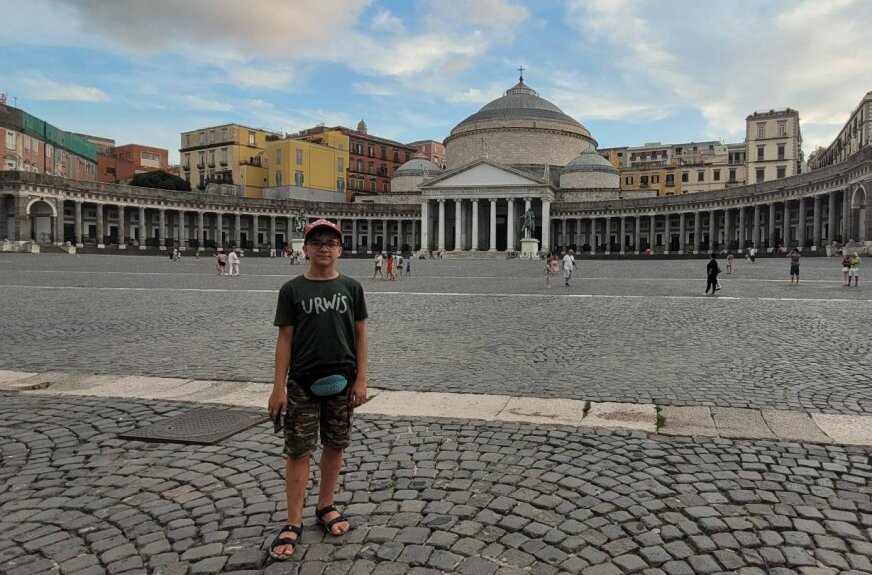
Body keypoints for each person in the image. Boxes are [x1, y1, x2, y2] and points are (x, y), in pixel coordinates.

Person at [268, 218, 368, 561]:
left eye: (331, 242)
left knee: (336, 445)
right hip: (301, 382)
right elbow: (284, 339)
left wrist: (362, 379)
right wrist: (277, 388)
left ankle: (326, 504)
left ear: (340, 249)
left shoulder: (352, 288)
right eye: (317, 242)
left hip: (342, 379)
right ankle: (292, 520)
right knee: (298, 449)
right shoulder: (292, 290)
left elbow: (361, 335)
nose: (324, 248)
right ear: (305, 248)